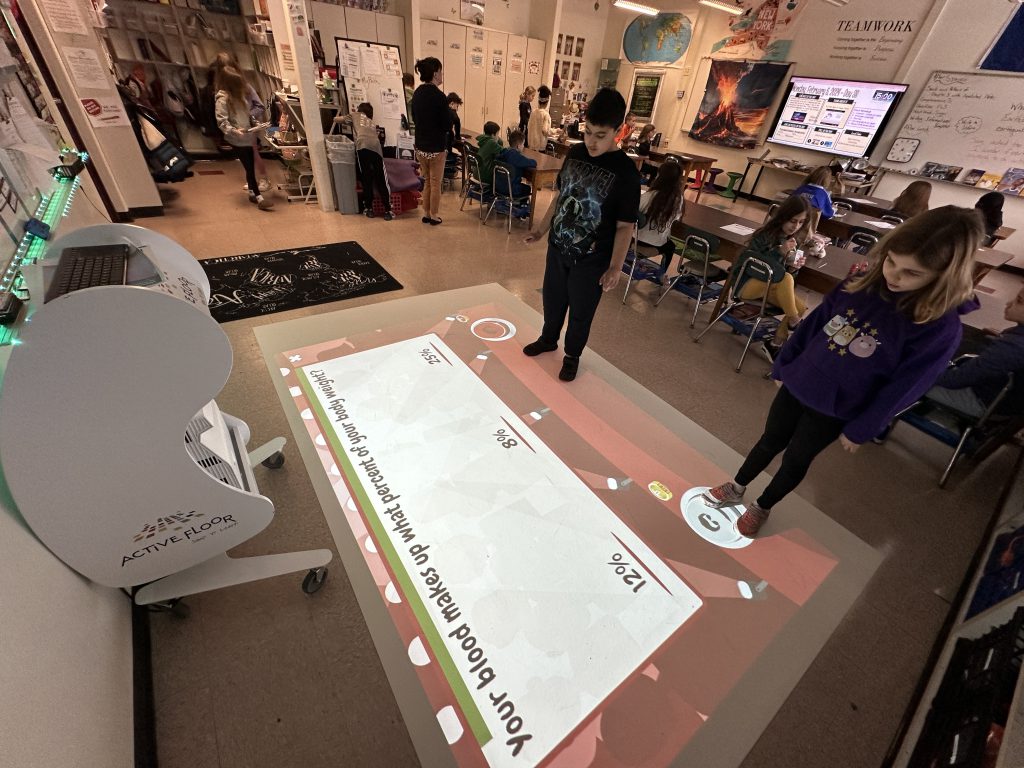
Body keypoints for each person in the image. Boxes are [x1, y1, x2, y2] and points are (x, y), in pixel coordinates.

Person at [702, 206, 982, 536]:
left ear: (944, 276)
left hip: (837, 407)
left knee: (795, 460)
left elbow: (906, 386)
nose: (894, 275)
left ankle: (762, 506)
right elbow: (815, 325)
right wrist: (785, 364)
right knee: (769, 440)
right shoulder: (862, 281)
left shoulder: (939, 327)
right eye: (891, 262)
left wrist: (863, 428)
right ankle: (737, 486)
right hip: (800, 381)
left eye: (912, 273)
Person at [522, 88, 642, 382]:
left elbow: (625, 226)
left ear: (619, 131)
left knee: (580, 312)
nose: (591, 141)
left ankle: (572, 355)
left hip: (591, 259)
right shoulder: (575, 153)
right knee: (552, 300)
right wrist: (541, 230)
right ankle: (548, 339)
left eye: (600, 135)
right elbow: (561, 197)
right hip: (558, 247)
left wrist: (615, 267)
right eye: (587, 132)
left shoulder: (627, 173)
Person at [923, 284, 1024, 418]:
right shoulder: (1015, 342)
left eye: (1019, 301)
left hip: (983, 401)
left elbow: (957, 380)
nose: (1009, 303)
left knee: (905, 377)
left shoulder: (1013, 348)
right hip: (997, 394)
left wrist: (923, 375)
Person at [731, 195, 813, 355]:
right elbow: (753, 268)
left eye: (801, 222)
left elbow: (784, 281)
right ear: (783, 217)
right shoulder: (764, 235)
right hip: (746, 285)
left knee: (800, 306)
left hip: (769, 287)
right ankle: (795, 322)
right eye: (793, 220)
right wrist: (779, 253)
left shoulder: (790, 240)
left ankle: (774, 344)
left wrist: (792, 267)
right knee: (788, 284)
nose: (796, 226)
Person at [215, 66, 273, 210]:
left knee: (249, 166)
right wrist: (234, 131)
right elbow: (222, 122)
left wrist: (255, 124)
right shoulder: (222, 100)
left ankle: (252, 193)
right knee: (249, 167)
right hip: (237, 140)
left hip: (248, 135)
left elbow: (248, 115)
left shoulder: (241, 97)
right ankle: (259, 198)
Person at [410, 57, 451, 225]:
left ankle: (426, 213)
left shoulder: (417, 93)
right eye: (441, 71)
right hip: (436, 147)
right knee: (435, 183)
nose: (442, 75)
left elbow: (414, 117)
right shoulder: (440, 97)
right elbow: (447, 124)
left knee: (427, 180)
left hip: (421, 146)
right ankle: (434, 215)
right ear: (435, 73)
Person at [340, 103, 391, 221]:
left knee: (366, 178)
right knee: (381, 179)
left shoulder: (355, 115)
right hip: (376, 148)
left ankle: (369, 208)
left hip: (362, 146)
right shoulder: (372, 123)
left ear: (359, 110)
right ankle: (388, 210)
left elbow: (338, 119)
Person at [637, 160, 685, 284]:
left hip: (635, 239)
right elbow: (676, 219)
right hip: (656, 243)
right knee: (671, 246)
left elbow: (635, 212)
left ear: (660, 176)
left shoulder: (649, 196)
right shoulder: (678, 200)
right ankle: (661, 276)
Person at [495, 129, 536, 200]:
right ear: (518, 146)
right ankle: (520, 207)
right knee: (527, 188)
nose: (523, 146)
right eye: (523, 144)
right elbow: (533, 163)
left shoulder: (504, 152)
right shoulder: (516, 156)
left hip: (497, 186)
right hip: (511, 189)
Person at [475, 121, 503, 188]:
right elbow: (504, 151)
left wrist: (498, 140)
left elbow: (499, 142)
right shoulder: (491, 143)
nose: (498, 137)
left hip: (477, 173)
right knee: (503, 176)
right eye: (497, 134)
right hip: (485, 176)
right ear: (493, 135)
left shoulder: (483, 139)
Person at [527, 85, 556, 150]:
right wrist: (554, 132)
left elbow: (529, 126)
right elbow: (545, 130)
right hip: (539, 147)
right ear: (547, 102)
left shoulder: (533, 112)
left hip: (531, 145)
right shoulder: (546, 115)